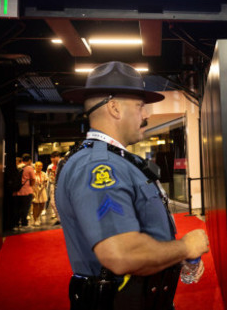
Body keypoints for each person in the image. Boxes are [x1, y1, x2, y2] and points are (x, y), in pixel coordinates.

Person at [56, 61, 209, 310]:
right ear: (114, 108)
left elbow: (142, 230)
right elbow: (121, 255)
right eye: (140, 106)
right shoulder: (99, 167)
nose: (146, 114)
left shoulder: (121, 161)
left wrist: (169, 255)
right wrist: (183, 247)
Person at [13, 153, 36, 229]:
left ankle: (16, 223)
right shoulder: (29, 168)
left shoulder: (17, 167)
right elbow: (33, 179)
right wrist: (31, 186)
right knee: (25, 208)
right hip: (26, 191)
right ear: (29, 160)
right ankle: (24, 223)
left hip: (16, 191)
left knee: (17, 208)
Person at [31, 161, 49, 226]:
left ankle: (38, 217)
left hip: (42, 190)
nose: (39, 167)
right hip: (34, 190)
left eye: (41, 166)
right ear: (35, 166)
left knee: (42, 205)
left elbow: (46, 182)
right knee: (35, 205)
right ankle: (35, 219)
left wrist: (45, 182)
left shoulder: (44, 174)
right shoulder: (32, 173)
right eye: (38, 166)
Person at [46, 151, 61, 222]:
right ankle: (59, 219)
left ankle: (62, 219)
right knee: (52, 203)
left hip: (61, 186)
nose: (53, 160)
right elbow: (49, 177)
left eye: (54, 158)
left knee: (60, 203)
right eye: (52, 159)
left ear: (58, 157)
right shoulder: (51, 166)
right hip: (53, 185)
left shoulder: (62, 164)